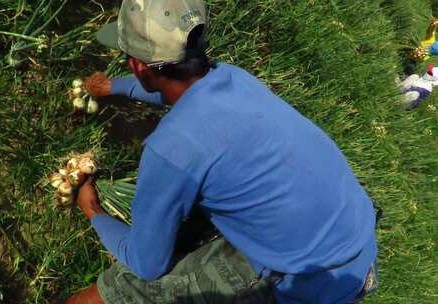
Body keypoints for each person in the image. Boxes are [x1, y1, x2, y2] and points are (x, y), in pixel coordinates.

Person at [66, 0, 378, 303]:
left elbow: (147, 265)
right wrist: (112, 88)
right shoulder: (232, 77)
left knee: (95, 299)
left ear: (138, 67)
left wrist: (93, 212)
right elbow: (185, 95)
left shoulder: (171, 150)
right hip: (356, 244)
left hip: (306, 280)